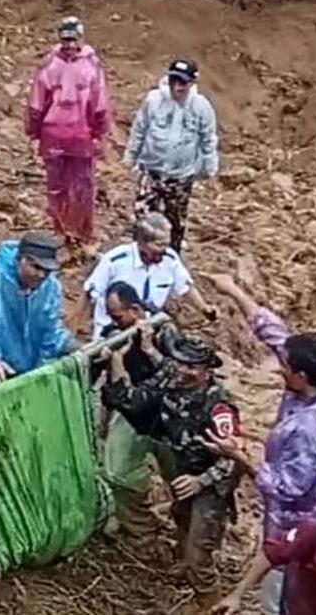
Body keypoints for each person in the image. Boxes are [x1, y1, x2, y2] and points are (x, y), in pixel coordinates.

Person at [204, 274, 316, 615]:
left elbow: (287, 488)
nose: (279, 370)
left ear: (301, 376)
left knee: (282, 592)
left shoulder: (309, 430)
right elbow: (276, 335)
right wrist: (232, 290)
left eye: (284, 368)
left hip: (297, 521)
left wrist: (240, 457)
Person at [101, 331, 239, 595]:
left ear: (208, 370)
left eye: (192, 367)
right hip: (182, 470)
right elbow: (131, 401)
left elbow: (234, 460)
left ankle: (209, 599)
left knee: (200, 554)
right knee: (183, 521)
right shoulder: (170, 376)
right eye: (180, 362)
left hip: (210, 482)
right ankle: (185, 566)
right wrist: (117, 360)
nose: (183, 371)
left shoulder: (219, 405)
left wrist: (202, 481)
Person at [93, 281, 179, 536]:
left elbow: (179, 374)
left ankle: (183, 528)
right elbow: (110, 384)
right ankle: (142, 526)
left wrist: (150, 350)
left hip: (168, 416)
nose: (114, 321)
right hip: (133, 413)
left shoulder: (165, 330)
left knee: (180, 475)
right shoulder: (114, 335)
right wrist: (105, 421)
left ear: (135, 310)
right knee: (117, 471)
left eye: (118, 316)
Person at [0, 232, 77, 398]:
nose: (41, 275)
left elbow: (50, 330)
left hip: (23, 376)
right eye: (35, 267)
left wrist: (69, 347)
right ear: (20, 259)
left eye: (47, 270)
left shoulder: (50, 288)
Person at [25, 15, 112, 249]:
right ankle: (69, 232)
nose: (70, 45)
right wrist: (100, 133)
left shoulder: (53, 65)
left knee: (72, 185)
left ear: (81, 38)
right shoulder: (87, 67)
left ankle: (72, 233)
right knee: (70, 184)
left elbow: (99, 105)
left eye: (73, 40)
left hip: (70, 136)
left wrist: (33, 133)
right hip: (69, 135)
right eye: (66, 40)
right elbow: (37, 104)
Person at [125, 57, 220, 254]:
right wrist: (131, 155)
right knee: (142, 216)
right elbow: (139, 129)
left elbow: (207, 137)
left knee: (175, 221)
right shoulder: (154, 101)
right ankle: (138, 255)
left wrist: (209, 166)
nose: (177, 87)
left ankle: (171, 258)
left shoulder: (201, 107)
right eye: (173, 81)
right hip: (151, 170)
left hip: (180, 175)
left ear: (191, 83)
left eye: (182, 83)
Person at [81, 213, 215, 342]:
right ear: (141, 242)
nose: (164, 249)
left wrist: (203, 308)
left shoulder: (170, 259)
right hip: (113, 334)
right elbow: (89, 293)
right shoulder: (115, 261)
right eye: (159, 245)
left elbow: (185, 287)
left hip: (149, 333)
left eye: (166, 244)